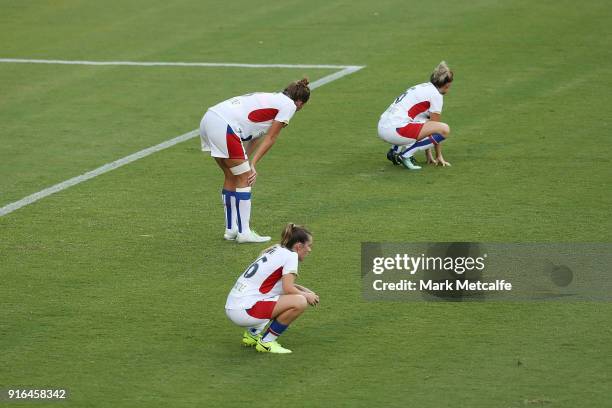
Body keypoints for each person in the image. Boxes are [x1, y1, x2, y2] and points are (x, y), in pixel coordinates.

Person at [200, 79, 311, 243]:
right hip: (224, 125)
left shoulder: (273, 98)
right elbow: (271, 137)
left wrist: (247, 161)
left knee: (232, 175)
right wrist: (252, 165)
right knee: (244, 178)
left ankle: (231, 230)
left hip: (209, 119)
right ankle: (244, 233)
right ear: (300, 103)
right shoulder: (289, 106)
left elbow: (256, 136)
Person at [225, 223, 319, 354]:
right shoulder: (291, 256)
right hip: (245, 310)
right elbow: (288, 288)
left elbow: (276, 284)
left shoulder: (276, 248)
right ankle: (266, 342)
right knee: (299, 302)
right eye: (309, 246)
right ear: (298, 246)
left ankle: (252, 335)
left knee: (282, 297)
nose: (309, 250)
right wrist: (307, 296)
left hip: (234, 305)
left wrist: (306, 291)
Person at [378, 61, 454, 170]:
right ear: (446, 85)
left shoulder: (422, 87)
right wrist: (438, 155)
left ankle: (394, 151)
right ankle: (406, 155)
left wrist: (428, 154)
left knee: (419, 120)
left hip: (383, 126)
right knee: (444, 129)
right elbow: (436, 128)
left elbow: (425, 123)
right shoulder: (436, 95)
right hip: (395, 131)